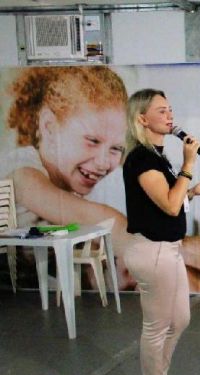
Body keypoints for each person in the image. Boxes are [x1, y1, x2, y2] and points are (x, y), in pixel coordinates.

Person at [122, 89, 200, 375]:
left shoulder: (157, 155)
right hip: (152, 252)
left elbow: (169, 197)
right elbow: (168, 205)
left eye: (171, 110)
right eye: (162, 110)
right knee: (156, 327)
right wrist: (189, 164)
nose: (170, 116)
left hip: (169, 250)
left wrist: (194, 191)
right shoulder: (141, 158)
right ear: (142, 119)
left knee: (180, 319)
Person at [3, 66, 135, 283]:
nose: (103, 163)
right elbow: (89, 217)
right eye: (92, 141)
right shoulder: (22, 171)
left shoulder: (69, 185)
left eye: (116, 149)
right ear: (49, 128)